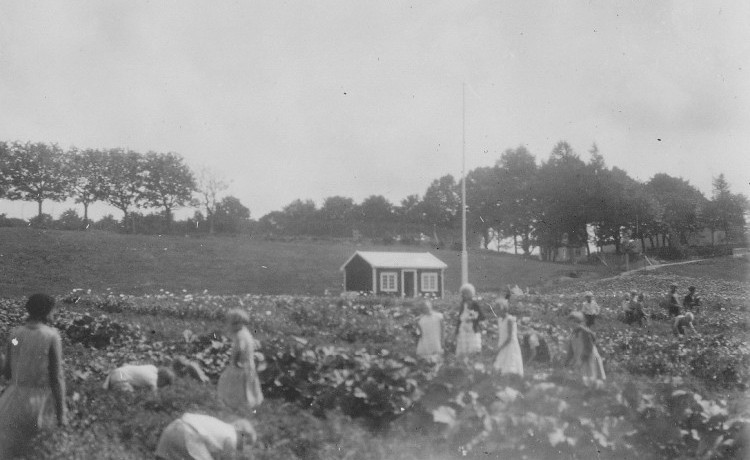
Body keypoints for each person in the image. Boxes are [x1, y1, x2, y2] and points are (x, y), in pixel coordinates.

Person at [0, 294, 67, 458]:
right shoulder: (52, 336)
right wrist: (61, 413)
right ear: (46, 312)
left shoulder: (15, 335)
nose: (54, 315)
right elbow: (56, 377)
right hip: (38, 404)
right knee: (36, 452)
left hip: (11, 401)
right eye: (53, 311)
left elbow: (7, 370)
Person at [155, 412, 256, 460]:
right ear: (243, 434)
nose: (244, 448)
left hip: (174, 426)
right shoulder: (233, 435)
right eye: (247, 442)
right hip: (188, 433)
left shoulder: (222, 427)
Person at [217, 309, 263, 411]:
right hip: (248, 363)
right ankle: (249, 402)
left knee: (230, 383)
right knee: (247, 384)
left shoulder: (239, 335)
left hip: (239, 364)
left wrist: (235, 360)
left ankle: (235, 404)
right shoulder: (246, 332)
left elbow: (240, 348)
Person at [564, 311, 606, 381]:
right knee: (584, 380)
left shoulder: (585, 332)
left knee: (593, 379)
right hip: (581, 360)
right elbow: (570, 351)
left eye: (575, 322)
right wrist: (567, 362)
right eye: (570, 322)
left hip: (589, 358)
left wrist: (582, 360)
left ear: (579, 322)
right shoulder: (573, 335)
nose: (572, 324)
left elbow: (589, 348)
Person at [492, 297, 523, 376]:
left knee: (510, 368)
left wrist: (500, 348)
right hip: (502, 344)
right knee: (499, 367)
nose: (496, 311)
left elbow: (510, 337)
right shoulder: (499, 320)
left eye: (497, 309)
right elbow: (501, 334)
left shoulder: (509, 319)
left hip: (510, 346)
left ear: (502, 309)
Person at [455, 283, 485, 358]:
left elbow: (482, 317)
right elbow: (459, 318)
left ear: (470, 294)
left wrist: (472, 318)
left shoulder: (475, 304)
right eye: (462, 293)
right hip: (463, 331)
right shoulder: (462, 304)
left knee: (472, 350)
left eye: (465, 293)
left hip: (472, 330)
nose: (463, 295)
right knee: (463, 352)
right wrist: (456, 331)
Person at [103, 364, 175, 393]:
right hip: (121, 377)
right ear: (163, 379)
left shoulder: (152, 367)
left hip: (118, 372)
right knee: (128, 398)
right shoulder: (153, 379)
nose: (162, 386)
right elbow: (154, 397)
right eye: (164, 384)